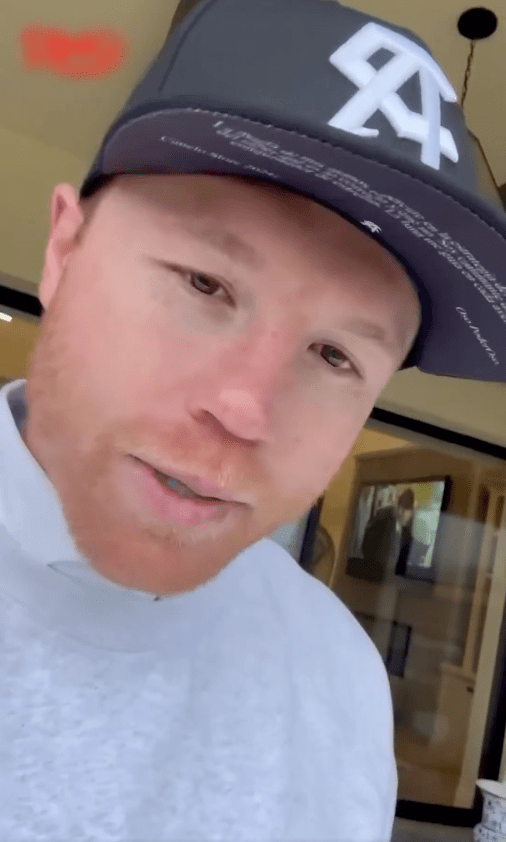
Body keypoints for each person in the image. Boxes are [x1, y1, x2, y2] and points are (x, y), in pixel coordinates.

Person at [2, 0, 506, 839]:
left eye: (337, 356)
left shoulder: (338, 672)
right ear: (63, 252)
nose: (244, 409)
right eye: (205, 285)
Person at [361, 488, 416, 580]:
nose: (404, 514)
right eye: (402, 509)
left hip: (392, 577)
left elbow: (404, 558)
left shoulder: (407, 530)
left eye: (407, 512)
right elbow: (367, 545)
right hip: (375, 573)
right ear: (397, 506)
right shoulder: (382, 516)